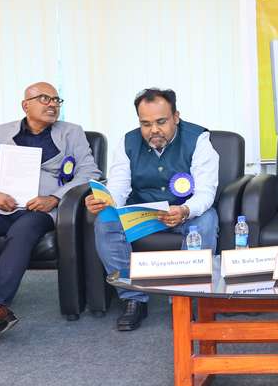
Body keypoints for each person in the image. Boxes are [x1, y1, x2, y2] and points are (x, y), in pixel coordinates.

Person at [0, 82, 99, 342]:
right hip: (0, 205)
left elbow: (90, 172)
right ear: (26, 105)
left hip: (39, 209)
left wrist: (54, 198)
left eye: (56, 100)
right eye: (45, 98)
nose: (52, 104)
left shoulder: (72, 133)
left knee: (23, 232)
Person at [84, 88, 219, 331]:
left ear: (176, 117)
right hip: (143, 213)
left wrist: (185, 210)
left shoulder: (198, 140)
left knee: (207, 221)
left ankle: (184, 299)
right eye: (145, 124)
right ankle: (133, 299)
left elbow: (206, 192)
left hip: (186, 213)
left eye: (161, 122)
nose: (153, 130)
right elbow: (118, 187)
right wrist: (105, 200)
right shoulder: (128, 141)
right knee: (105, 221)